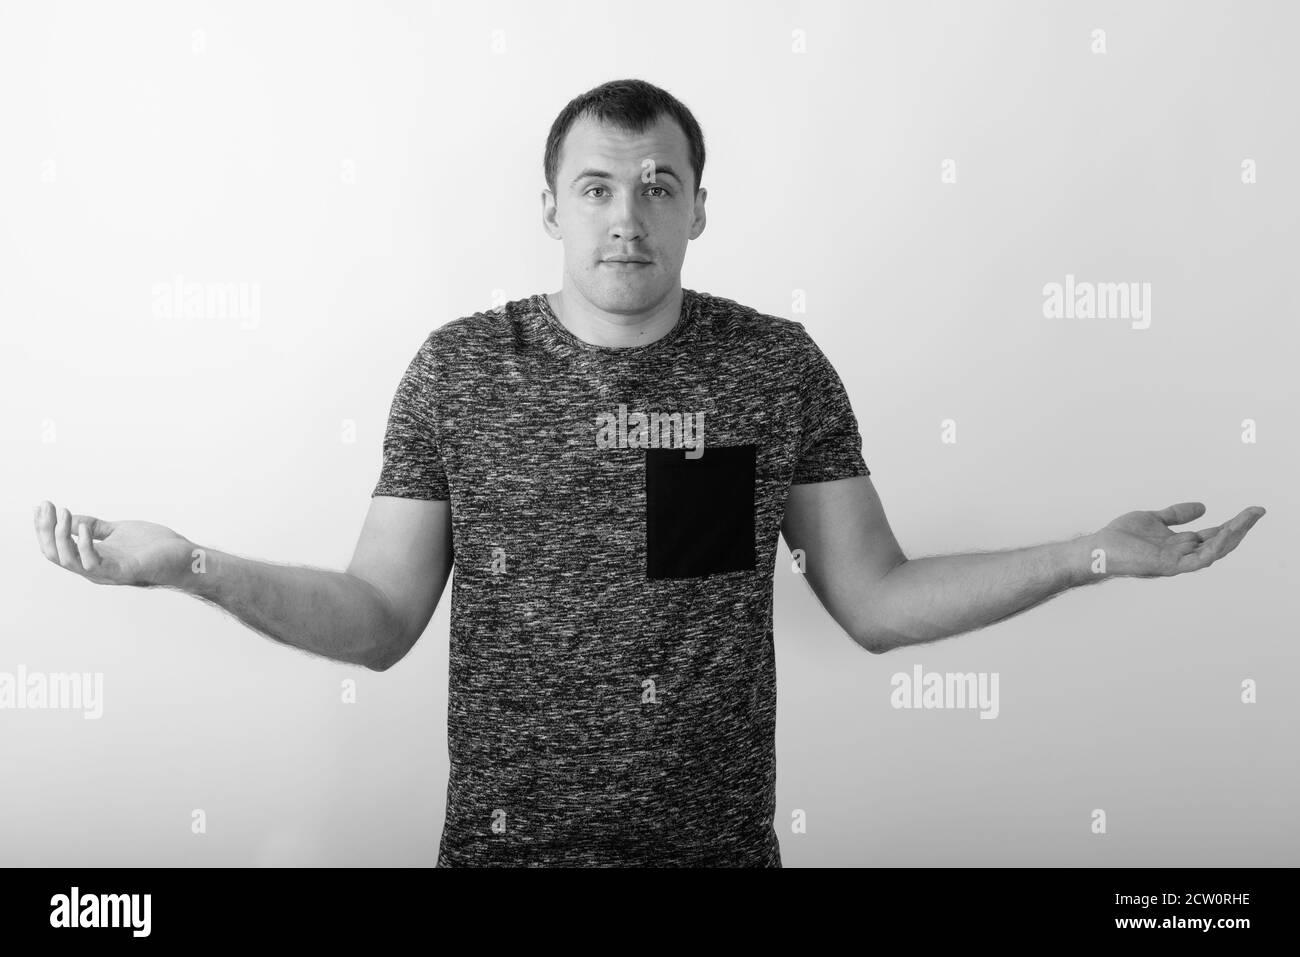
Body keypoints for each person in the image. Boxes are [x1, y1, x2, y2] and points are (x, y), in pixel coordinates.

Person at [32, 78, 1266, 868]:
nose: (627, 216)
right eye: (598, 187)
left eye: (658, 187)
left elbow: (876, 601)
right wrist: (185, 563)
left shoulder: (774, 369)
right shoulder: (461, 371)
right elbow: (377, 620)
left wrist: (1090, 554)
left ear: (697, 211)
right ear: (552, 208)